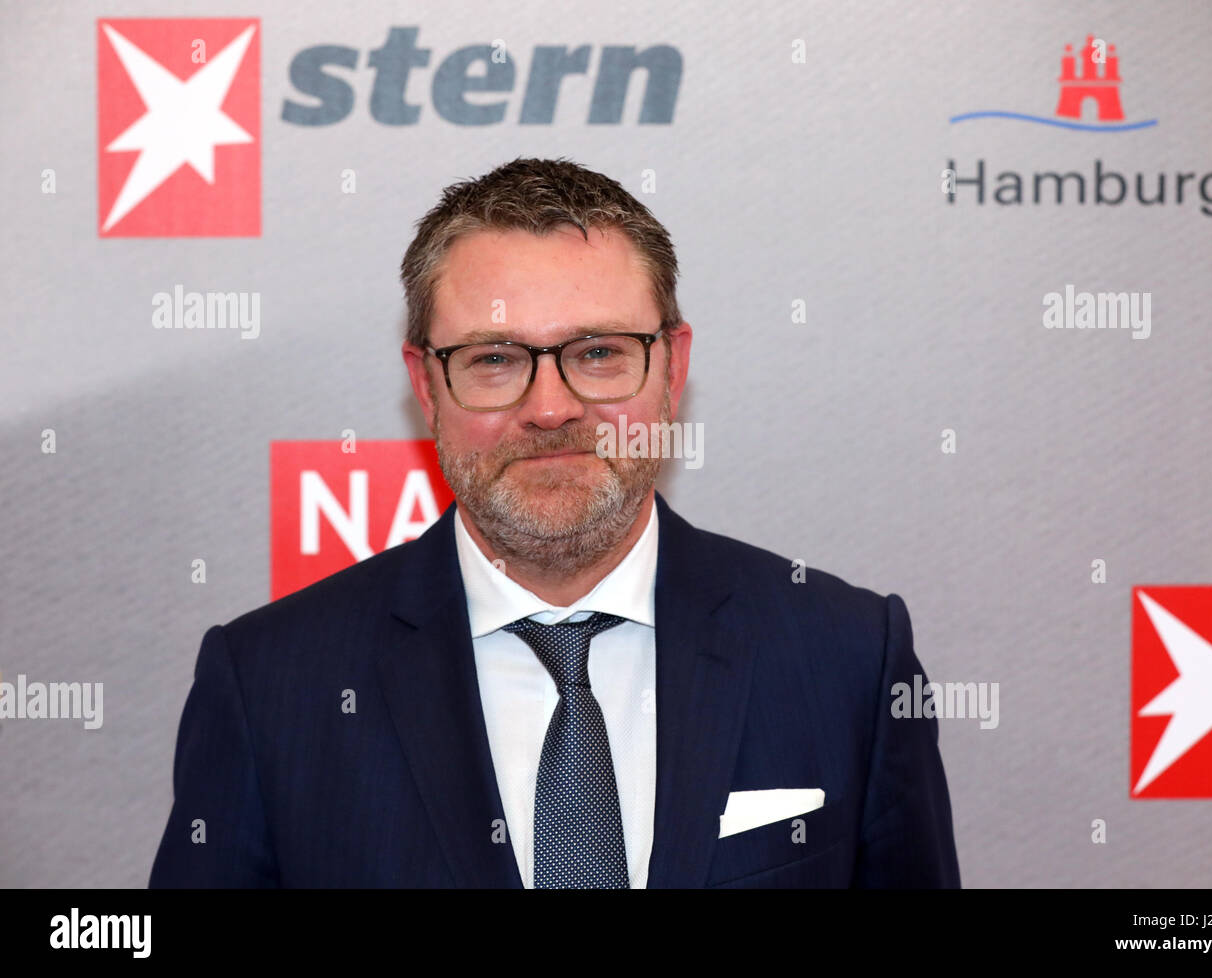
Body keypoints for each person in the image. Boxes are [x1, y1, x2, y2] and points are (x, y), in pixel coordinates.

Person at [149, 157, 960, 888]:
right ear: (425, 387)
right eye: (494, 360)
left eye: (599, 352)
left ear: (672, 367)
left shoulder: (849, 655)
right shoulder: (268, 686)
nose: (550, 409)